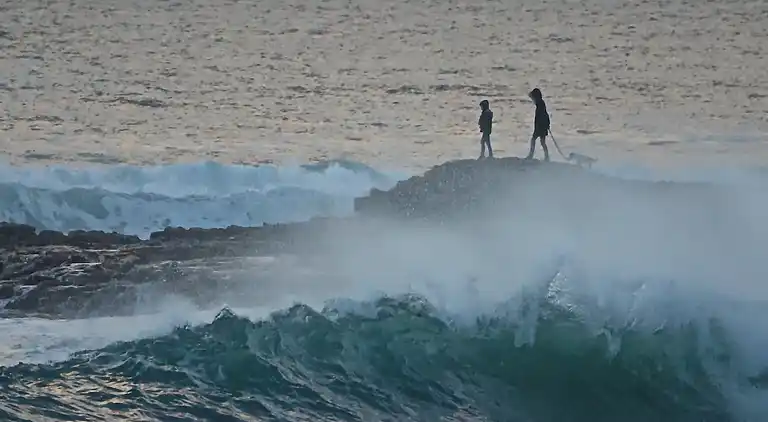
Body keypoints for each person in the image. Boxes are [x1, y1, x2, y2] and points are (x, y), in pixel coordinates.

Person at [525, 88, 550, 161]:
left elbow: (544, 115)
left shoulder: (540, 104)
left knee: (535, 140)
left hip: (540, 126)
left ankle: (531, 155)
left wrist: (545, 125)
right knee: (542, 142)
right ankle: (546, 157)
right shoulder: (540, 103)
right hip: (540, 126)